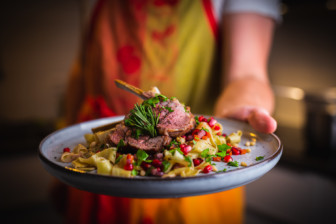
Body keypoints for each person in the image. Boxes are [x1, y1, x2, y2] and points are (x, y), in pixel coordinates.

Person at [57, 0, 281, 223]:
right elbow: (83, 71)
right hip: (96, 174)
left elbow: (247, 75)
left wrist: (245, 103)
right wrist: (62, 171)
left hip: (195, 182)